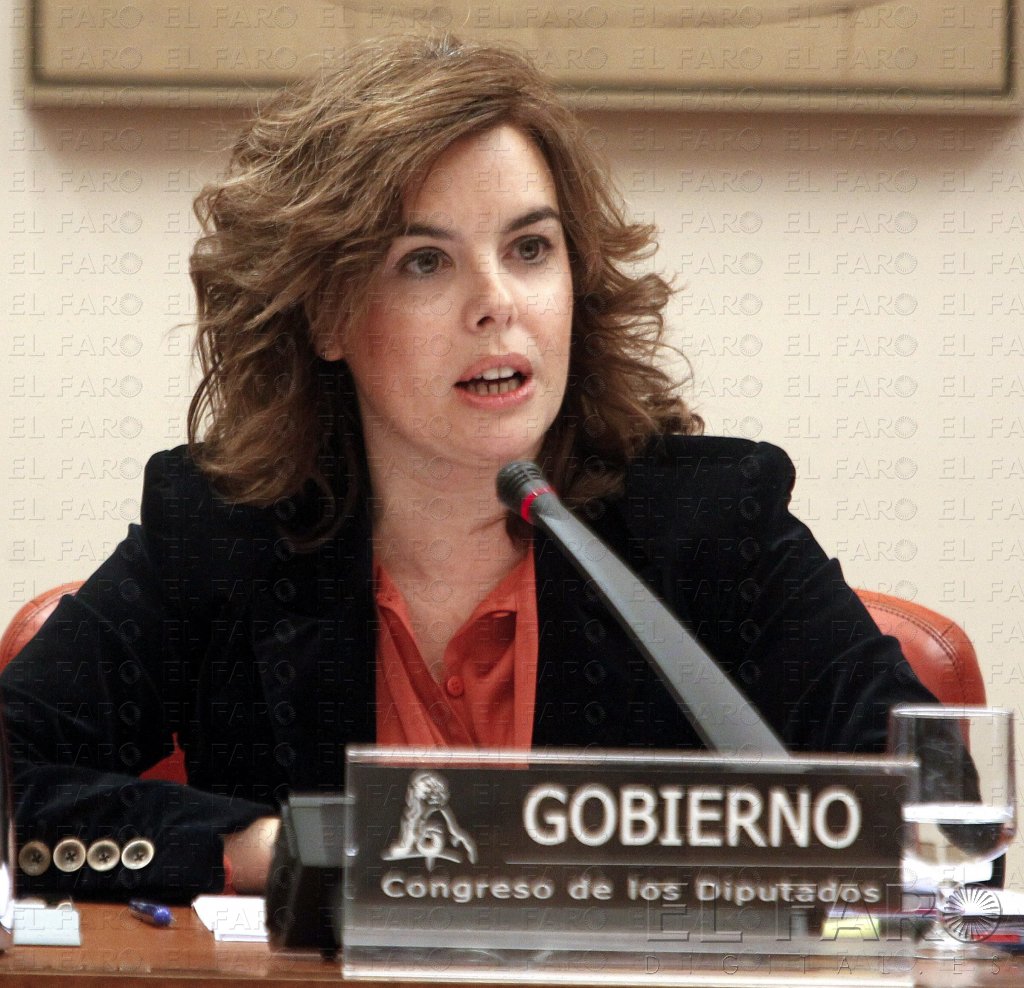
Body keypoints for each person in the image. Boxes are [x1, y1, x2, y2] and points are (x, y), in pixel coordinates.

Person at [0, 35, 936, 902]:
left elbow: (939, 808)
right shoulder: (226, 533)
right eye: (424, 262)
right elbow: (16, 772)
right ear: (326, 316)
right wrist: (280, 849)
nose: (496, 303)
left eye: (530, 249)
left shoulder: (709, 526)